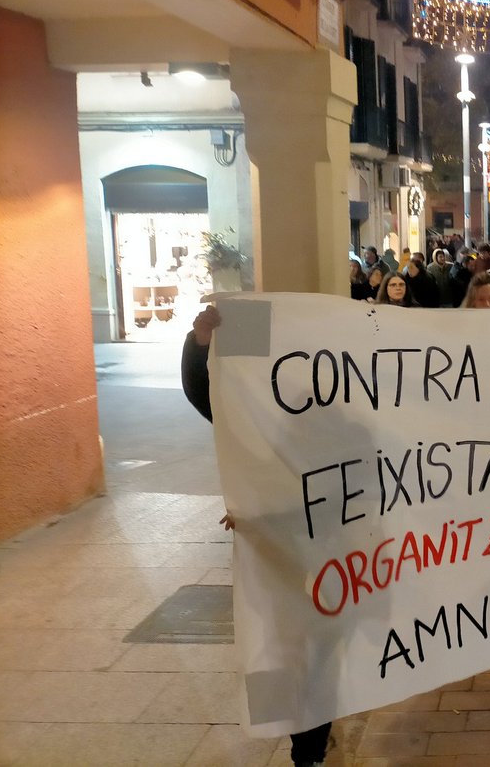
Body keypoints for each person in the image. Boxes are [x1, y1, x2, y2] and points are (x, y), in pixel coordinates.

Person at [181, 306, 332, 767]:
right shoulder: (255, 412)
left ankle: (310, 748)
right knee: (281, 647)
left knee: (321, 647)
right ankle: (300, 743)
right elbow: (210, 396)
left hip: (331, 544)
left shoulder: (348, 419)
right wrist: (201, 345)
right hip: (273, 545)